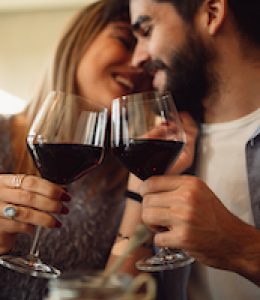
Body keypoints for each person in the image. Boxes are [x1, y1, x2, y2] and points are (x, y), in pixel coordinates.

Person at [0, 1, 152, 299]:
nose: (138, 62)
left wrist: (140, 193)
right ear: (79, 38)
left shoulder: (129, 170)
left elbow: (124, 293)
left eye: (150, 59)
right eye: (125, 40)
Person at [108, 0, 260, 299]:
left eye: (147, 30)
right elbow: (117, 292)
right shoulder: (167, 148)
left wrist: (240, 247)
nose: (137, 58)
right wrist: (139, 195)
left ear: (212, 14)